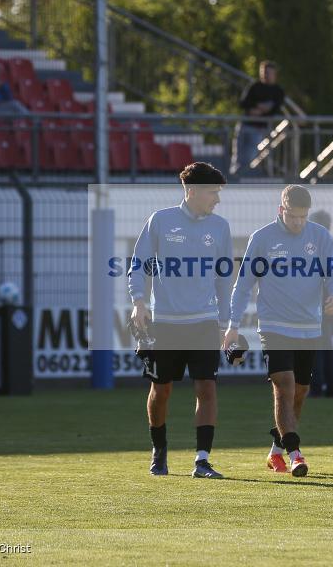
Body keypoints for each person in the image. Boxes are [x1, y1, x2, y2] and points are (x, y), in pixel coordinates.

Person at [224, 185, 333, 476]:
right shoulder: (262, 239)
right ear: (281, 210)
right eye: (293, 216)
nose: (298, 223)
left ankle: (276, 451)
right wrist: (233, 325)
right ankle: (296, 454)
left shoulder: (320, 236)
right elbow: (243, 286)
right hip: (274, 327)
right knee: (284, 387)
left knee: (300, 391)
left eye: (303, 217)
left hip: (308, 328)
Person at [128, 162, 232, 478]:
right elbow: (139, 264)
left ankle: (202, 460)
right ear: (192, 191)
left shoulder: (220, 227)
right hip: (166, 324)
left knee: (207, 388)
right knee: (161, 390)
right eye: (213, 192)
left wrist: (229, 322)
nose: (217, 199)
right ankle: (159, 451)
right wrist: (138, 302)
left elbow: (224, 278)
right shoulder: (160, 221)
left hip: (204, 323)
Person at [306, 210, 333, 398]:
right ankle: (332, 387)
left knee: (318, 347)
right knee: (325, 346)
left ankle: (318, 386)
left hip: (317, 303)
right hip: (328, 302)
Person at [233, 61, 285, 175]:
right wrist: (258, 107)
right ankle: (235, 179)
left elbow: (274, 109)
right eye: (263, 72)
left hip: (258, 129)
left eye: (268, 73)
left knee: (250, 157)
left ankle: (243, 179)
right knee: (238, 157)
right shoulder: (255, 86)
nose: (265, 75)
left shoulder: (278, 91)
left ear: (274, 74)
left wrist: (261, 111)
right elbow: (243, 103)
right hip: (245, 125)